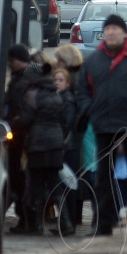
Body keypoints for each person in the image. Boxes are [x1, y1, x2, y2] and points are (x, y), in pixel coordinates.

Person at [76, 14, 127, 237]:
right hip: (103, 126)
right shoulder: (93, 60)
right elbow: (82, 91)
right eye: (108, 29)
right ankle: (103, 224)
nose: (111, 32)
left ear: (125, 33)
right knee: (103, 180)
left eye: (116, 29)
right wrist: (91, 111)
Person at [14, 59, 74, 237]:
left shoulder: (32, 94)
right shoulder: (55, 94)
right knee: (55, 184)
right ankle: (66, 222)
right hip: (55, 144)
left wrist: (13, 123)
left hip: (38, 144)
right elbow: (63, 121)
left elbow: (26, 118)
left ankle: (37, 226)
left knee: (37, 185)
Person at [5, 45, 44, 234]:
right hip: (23, 135)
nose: (9, 64)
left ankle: (28, 220)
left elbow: (24, 110)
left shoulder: (25, 80)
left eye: (11, 60)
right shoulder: (25, 77)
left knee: (22, 179)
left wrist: (14, 123)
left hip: (24, 137)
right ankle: (27, 219)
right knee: (22, 179)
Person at [54, 68, 83, 226]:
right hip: (65, 146)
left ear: (68, 83)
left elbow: (67, 124)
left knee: (69, 183)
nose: (57, 83)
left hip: (67, 147)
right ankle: (67, 219)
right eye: (55, 80)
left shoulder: (68, 100)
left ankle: (70, 219)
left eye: (61, 80)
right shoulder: (60, 98)